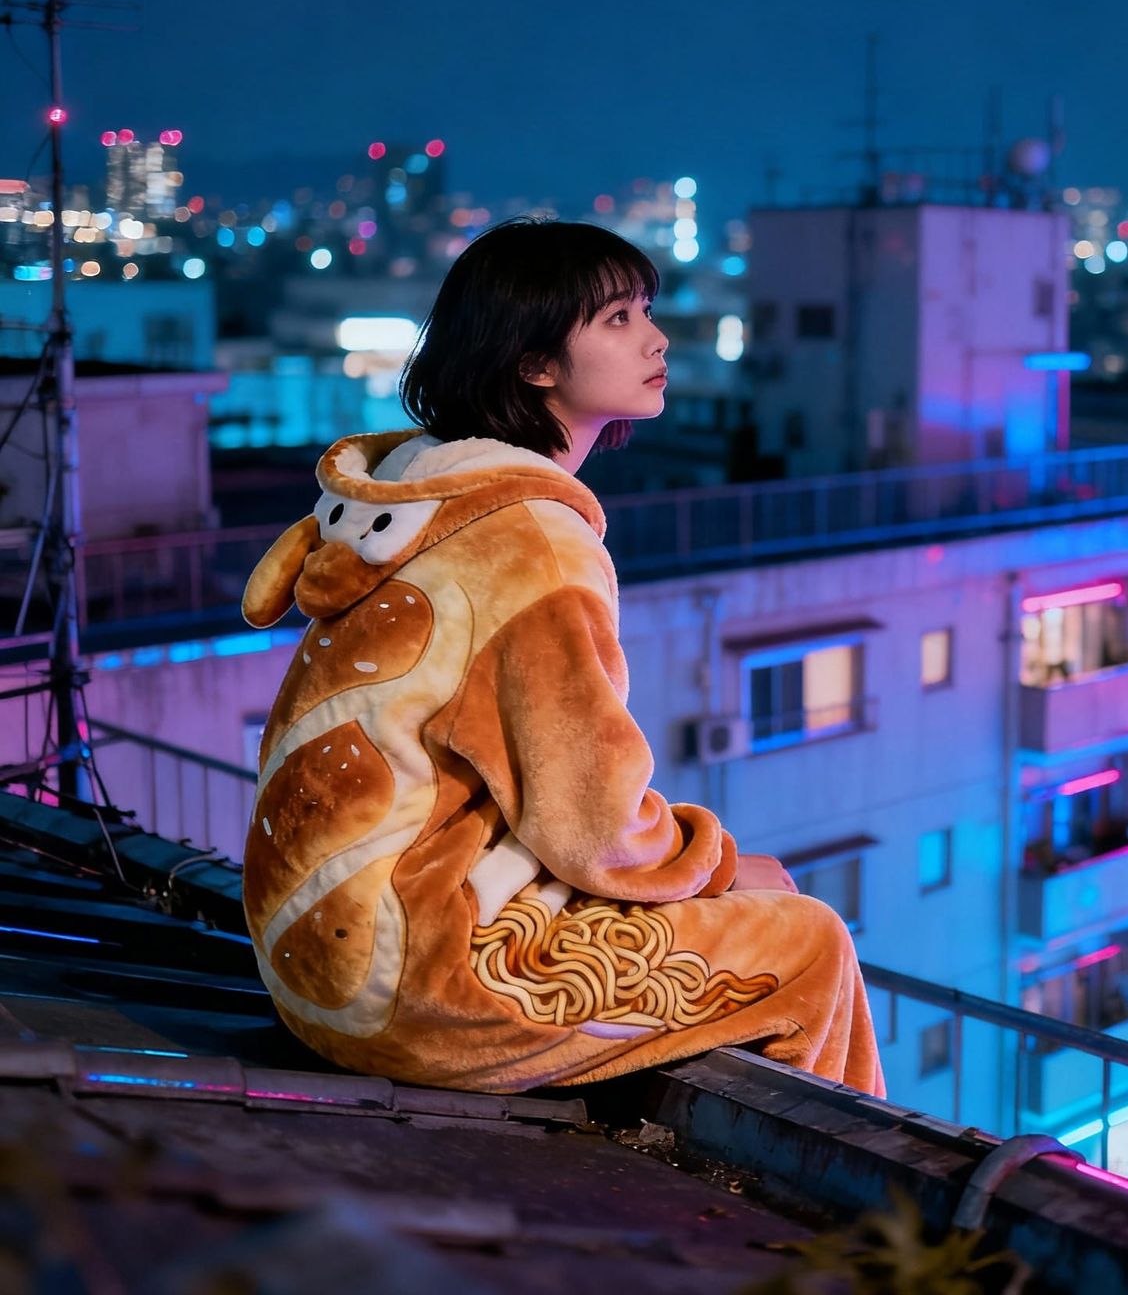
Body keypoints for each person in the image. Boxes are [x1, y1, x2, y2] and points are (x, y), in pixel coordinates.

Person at [239, 219, 883, 1097]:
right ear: (536, 363)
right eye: (618, 320)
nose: (657, 338)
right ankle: (852, 1232)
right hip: (413, 980)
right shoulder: (531, 543)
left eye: (646, 311)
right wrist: (721, 868)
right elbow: (588, 821)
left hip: (308, 958)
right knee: (808, 942)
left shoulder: (424, 497)